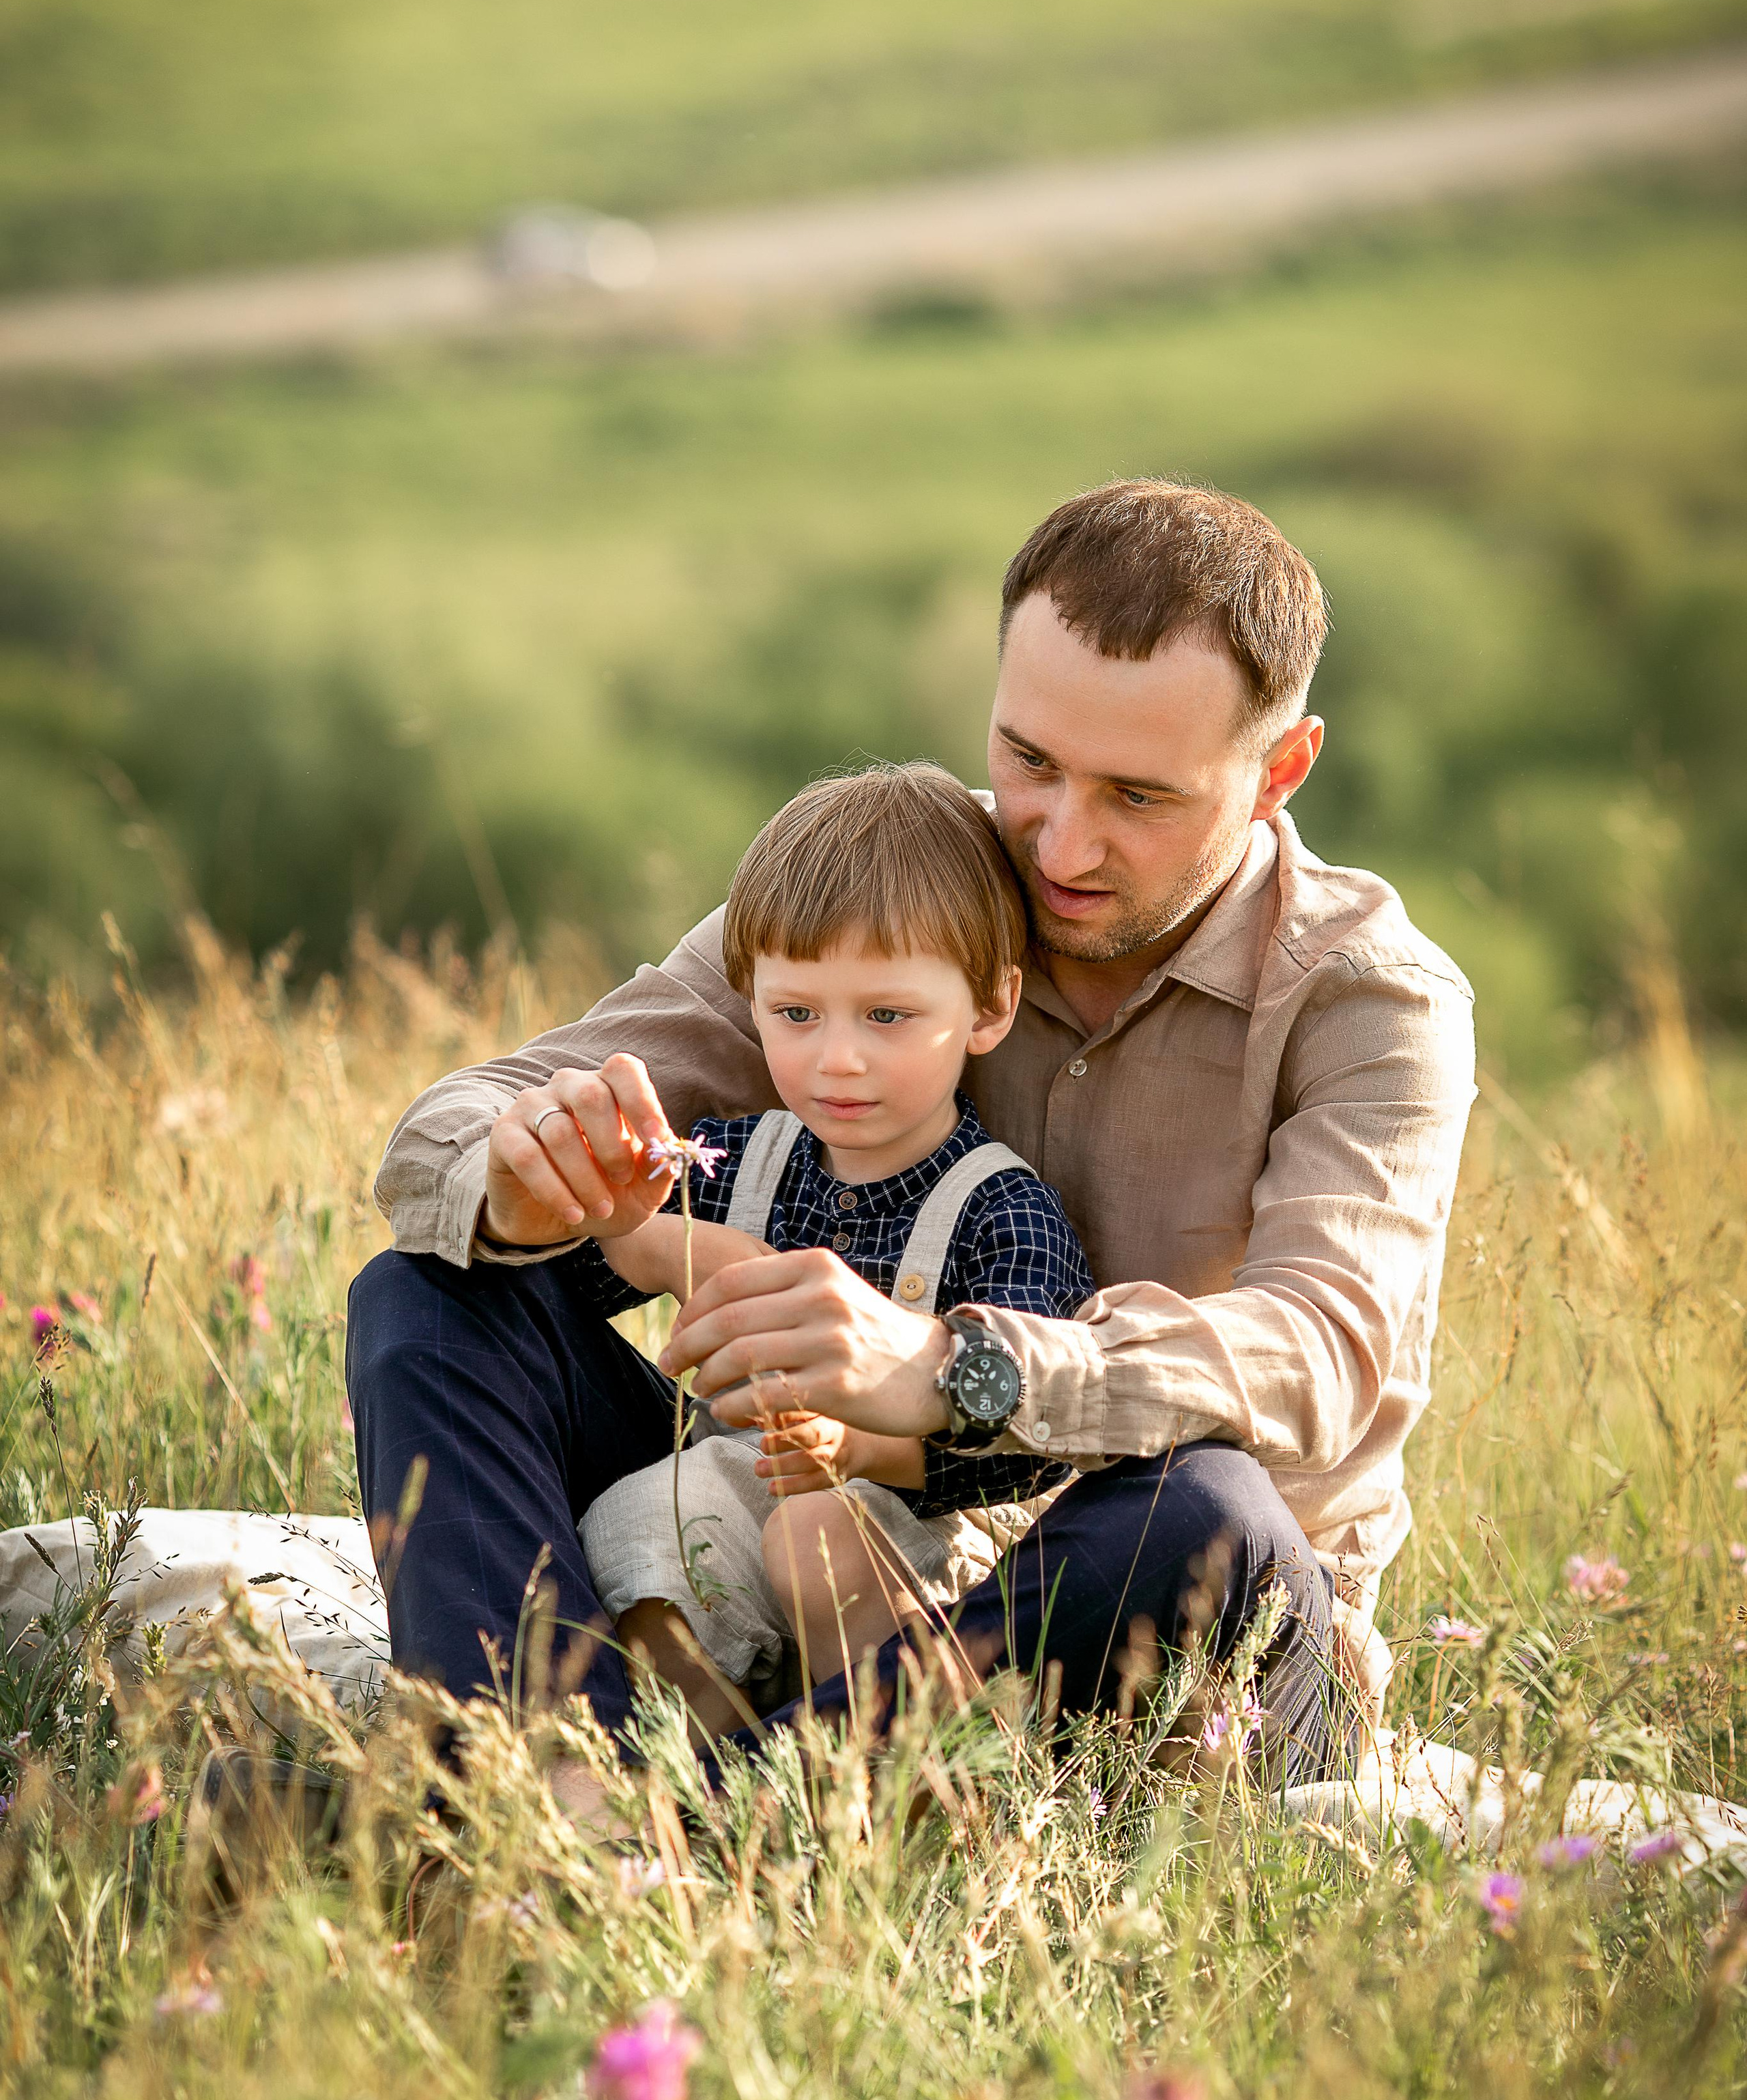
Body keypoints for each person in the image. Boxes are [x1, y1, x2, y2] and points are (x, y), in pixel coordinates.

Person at [349, 478, 1476, 1785]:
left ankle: (651, 1836)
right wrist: (521, 1171)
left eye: (1139, 799)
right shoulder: (900, 881)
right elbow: (456, 1122)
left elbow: (1321, 1351)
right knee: (431, 1294)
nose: (1062, 841)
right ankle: (555, 1782)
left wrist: (956, 1372)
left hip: (1150, 1612)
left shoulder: (1372, 1000)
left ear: (1279, 769)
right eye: (1030, 762)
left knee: (1207, 1507)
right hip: (806, 1519)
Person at [575, 761, 1094, 1739]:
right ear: (753, 1001)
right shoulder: (736, 1157)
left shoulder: (1002, 1209)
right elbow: (595, 1271)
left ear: (989, 1008)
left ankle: (872, 1775)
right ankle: (716, 1772)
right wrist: (630, 1224)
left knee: (819, 1532)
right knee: (636, 1523)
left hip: (928, 1537)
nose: (837, 1058)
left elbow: (1031, 1443)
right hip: (743, 1481)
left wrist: (859, 1444)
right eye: (797, 1014)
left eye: (887, 1016)